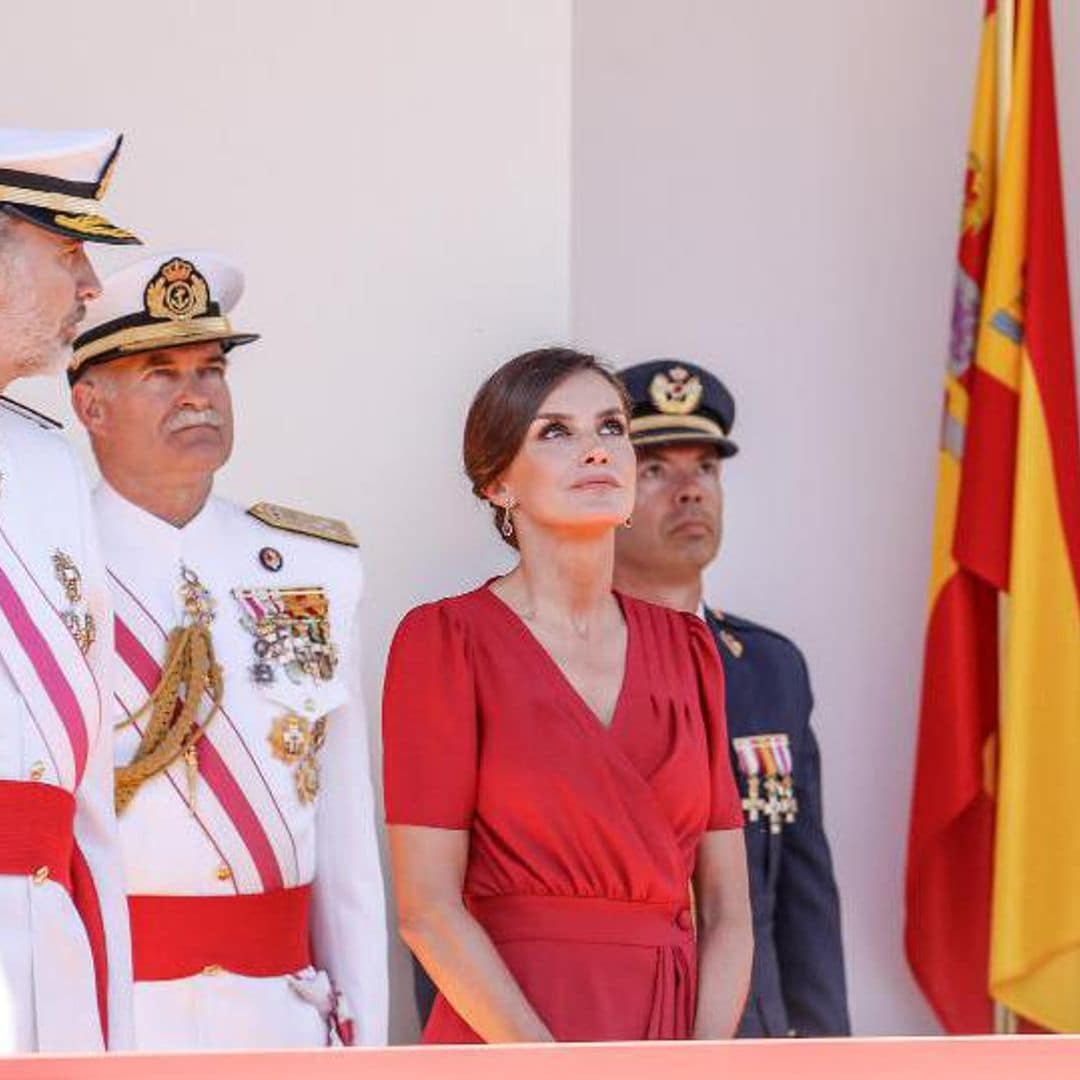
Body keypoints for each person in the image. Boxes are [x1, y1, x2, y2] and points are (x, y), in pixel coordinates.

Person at [384, 347, 752, 1043]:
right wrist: (549, 1066)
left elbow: (729, 908)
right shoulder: (447, 641)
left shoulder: (688, 650)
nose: (596, 451)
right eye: (556, 432)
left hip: (668, 1034)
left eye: (611, 427)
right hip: (509, 1036)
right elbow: (426, 908)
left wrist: (703, 1064)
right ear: (497, 484)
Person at [68, 250, 388, 1050]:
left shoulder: (316, 566)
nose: (195, 395)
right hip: (111, 1016)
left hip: (282, 1016)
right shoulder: (48, 565)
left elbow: (347, 839)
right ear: (90, 405)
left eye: (211, 370)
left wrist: (364, 1035)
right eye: (159, 373)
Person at [612, 358, 850, 1037]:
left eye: (707, 469)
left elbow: (805, 894)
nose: (691, 491)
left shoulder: (771, 668)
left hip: (754, 1037)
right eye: (656, 470)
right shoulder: (557, 667)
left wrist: (831, 1055)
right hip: (614, 1034)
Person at [0, 127, 137, 1053]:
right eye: (68, 254)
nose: (90, 289)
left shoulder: (48, 462)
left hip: (48, 939)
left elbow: (87, 786)